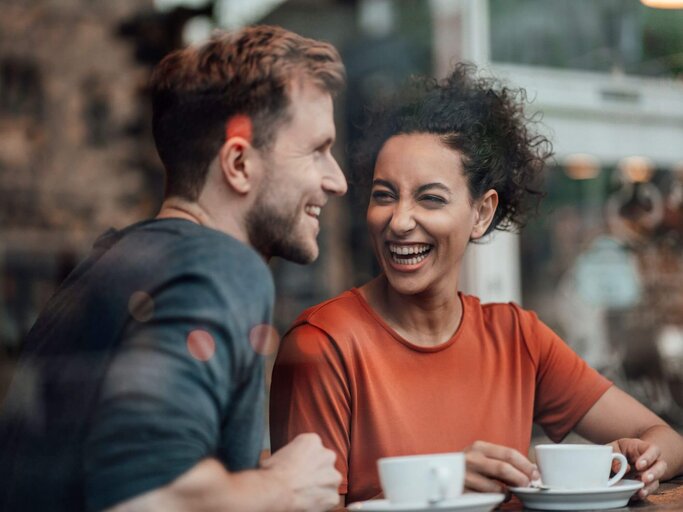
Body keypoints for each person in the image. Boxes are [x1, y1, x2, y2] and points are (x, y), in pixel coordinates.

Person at [269, 63, 683, 507]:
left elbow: (666, 439)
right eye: (384, 195)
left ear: (482, 213)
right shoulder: (322, 346)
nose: (400, 221)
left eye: (430, 198)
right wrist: (443, 481)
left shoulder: (517, 339)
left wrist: (642, 460)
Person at [0, 25, 347, 512]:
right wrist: (286, 489)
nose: (339, 180)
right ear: (240, 165)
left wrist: (251, 479)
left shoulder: (112, 263)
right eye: (317, 150)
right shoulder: (222, 267)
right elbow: (146, 496)